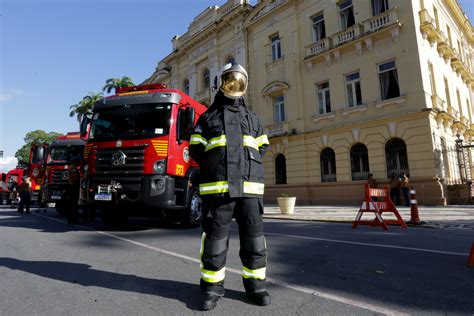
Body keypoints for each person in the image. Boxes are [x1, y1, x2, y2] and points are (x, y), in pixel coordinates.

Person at [190, 63, 271, 311]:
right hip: (218, 191)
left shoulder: (254, 119)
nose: (234, 83)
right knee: (214, 242)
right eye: (230, 79)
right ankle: (212, 288)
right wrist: (215, 164)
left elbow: (262, 147)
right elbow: (195, 148)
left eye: (239, 79)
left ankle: (256, 285)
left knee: (254, 241)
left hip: (249, 191)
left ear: (245, 85)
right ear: (221, 83)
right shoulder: (207, 117)